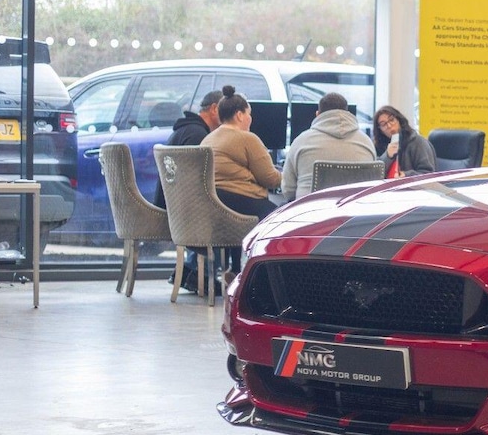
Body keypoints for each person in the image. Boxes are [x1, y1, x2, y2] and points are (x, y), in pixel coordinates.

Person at [203, 86, 281, 277]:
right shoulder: (247, 138)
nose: (250, 119)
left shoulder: (208, 139)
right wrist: (287, 175)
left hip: (213, 203)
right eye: (249, 114)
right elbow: (269, 178)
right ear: (239, 115)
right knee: (279, 216)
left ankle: (236, 269)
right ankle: (266, 274)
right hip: (241, 201)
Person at [155, 88, 224, 290]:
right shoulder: (198, 135)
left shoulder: (185, 129)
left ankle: (189, 271)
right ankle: (198, 274)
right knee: (225, 213)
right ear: (214, 109)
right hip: (182, 212)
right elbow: (199, 182)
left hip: (171, 205)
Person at [280, 92, 377, 200]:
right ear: (348, 113)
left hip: (309, 213)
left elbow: (288, 190)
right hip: (355, 214)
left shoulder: (301, 141)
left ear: (318, 114)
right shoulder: (367, 142)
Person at [373, 105, 436, 177]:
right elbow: (375, 175)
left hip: (413, 187)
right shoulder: (378, 145)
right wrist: (387, 156)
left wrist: (406, 175)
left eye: (392, 120)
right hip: (389, 187)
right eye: (383, 124)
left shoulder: (418, 142)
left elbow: (429, 174)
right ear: (380, 130)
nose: (389, 126)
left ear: (399, 120)